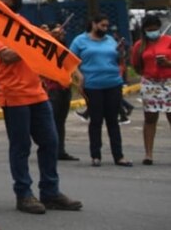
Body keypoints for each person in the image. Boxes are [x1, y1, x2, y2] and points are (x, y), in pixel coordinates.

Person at [0, 0, 82, 215]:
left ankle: (50, 192)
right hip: (15, 95)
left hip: (37, 92)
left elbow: (37, 46)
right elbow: (8, 56)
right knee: (21, 147)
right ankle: (24, 195)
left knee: (50, 142)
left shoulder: (22, 22)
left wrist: (49, 38)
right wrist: (37, 40)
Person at [70, 14, 131, 167]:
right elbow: (69, 60)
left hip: (113, 83)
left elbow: (119, 59)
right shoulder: (80, 41)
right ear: (93, 24)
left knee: (113, 121)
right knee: (96, 121)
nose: (105, 29)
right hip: (92, 85)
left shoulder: (110, 40)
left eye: (106, 26)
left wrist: (121, 52)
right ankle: (95, 155)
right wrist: (79, 75)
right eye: (102, 26)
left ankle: (119, 156)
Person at [130, 13, 171, 165]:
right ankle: (148, 154)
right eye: (149, 30)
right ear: (144, 30)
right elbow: (136, 65)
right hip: (150, 84)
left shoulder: (168, 41)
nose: (152, 32)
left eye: (154, 29)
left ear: (159, 28)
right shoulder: (139, 45)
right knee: (150, 118)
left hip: (168, 82)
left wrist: (167, 64)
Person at [41, 22, 79, 161]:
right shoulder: (47, 46)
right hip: (52, 89)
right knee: (51, 121)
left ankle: (59, 150)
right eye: (58, 32)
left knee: (60, 121)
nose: (62, 34)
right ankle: (50, 149)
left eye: (63, 33)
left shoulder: (64, 49)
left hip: (64, 88)